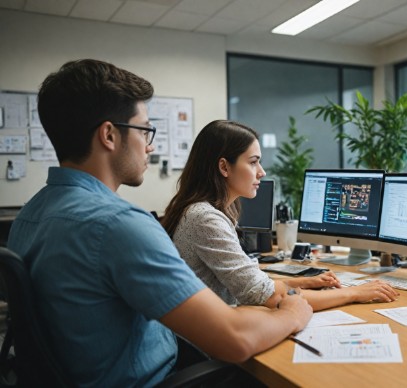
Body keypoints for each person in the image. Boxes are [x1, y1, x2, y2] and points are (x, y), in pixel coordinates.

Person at [7, 59, 312, 387]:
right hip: (160, 376)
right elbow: (234, 341)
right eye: (145, 130)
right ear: (109, 135)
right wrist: (291, 314)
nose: (150, 145)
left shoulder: (28, 216)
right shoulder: (119, 225)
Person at [161, 120, 399, 311]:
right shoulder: (205, 218)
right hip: (207, 346)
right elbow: (267, 296)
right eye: (253, 162)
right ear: (224, 167)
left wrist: (304, 281)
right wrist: (354, 293)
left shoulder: (205, 210)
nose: (262, 172)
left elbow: (249, 282)